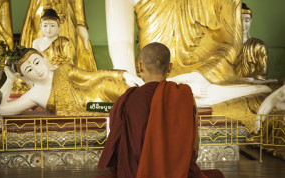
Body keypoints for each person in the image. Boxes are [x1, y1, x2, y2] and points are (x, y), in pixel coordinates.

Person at [90, 43, 225, 178]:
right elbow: (194, 150)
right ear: (170, 68)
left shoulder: (127, 99)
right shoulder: (184, 96)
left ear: (140, 66)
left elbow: (115, 153)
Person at [105, 0, 271, 107]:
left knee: (263, 95)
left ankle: (165, 96)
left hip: (205, 77)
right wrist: (133, 87)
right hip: (148, 79)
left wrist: (202, 76)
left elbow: (228, 44)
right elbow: (121, 44)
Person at [0, 48, 143, 116]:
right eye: (29, 70)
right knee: (127, 109)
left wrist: (123, 74)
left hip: (101, 88)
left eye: (37, 62)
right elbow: (2, 109)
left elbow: (93, 76)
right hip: (95, 107)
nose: (36, 70)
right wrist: (10, 79)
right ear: (25, 77)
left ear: (43, 57)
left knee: (133, 95)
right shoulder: (34, 94)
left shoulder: (64, 69)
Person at [20, 0, 96, 71]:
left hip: (64, 10)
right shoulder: (37, 41)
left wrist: (80, 22)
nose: (48, 29)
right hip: (41, 7)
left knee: (69, 62)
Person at [234, 3, 269, 81]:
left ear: (251, 21)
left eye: (247, 20)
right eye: (239, 20)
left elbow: (262, 74)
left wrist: (251, 79)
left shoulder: (259, 45)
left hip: (252, 86)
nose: (243, 24)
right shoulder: (227, 47)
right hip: (232, 86)